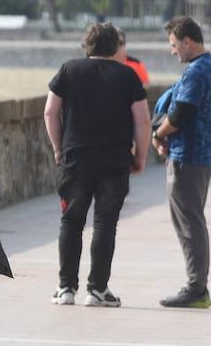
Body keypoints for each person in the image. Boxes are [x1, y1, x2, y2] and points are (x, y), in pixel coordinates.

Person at [44, 23, 149, 307]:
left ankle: (66, 288)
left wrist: (58, 148)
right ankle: (97, 289)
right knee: (105, 224)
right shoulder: (128, 75)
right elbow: (142, 119)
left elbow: (50, 111)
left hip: (76, 158)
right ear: (115, 46)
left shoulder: (69, 70)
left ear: (86, 45)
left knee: (71, 221)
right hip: (115, 160)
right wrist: (140, 156)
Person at [153, 16, 211, 309]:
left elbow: (181, 113)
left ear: (187, 41)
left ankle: (197, 288)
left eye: (173, 45)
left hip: (188, 155)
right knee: (192, 220)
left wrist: (157, 133)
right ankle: (197, 285)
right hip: (201, 153)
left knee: (189, 222)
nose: (172, 51)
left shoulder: (196, 71)